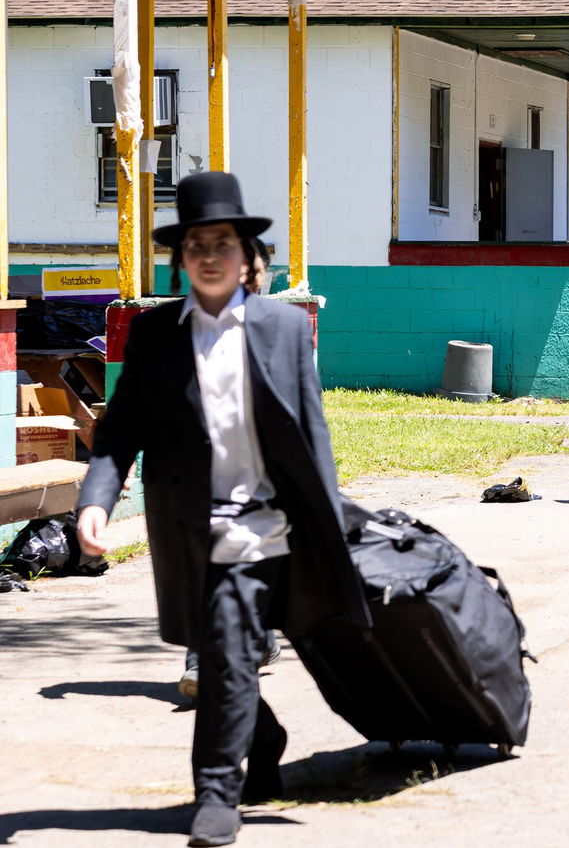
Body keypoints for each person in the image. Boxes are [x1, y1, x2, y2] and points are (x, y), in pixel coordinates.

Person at [75, 171, 370, 847]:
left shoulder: (285, 329)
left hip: (266, 525)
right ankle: (264, 741)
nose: (210, 255)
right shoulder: (152, 337)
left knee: (231, 648)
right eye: (197, 243)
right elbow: (120, 429)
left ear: (246, 256)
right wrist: (97, 500)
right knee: (221, 651)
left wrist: (332, 526)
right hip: (188, 529)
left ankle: (214, 790)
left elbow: (312, 435)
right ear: (181, 258)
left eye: (224, 242)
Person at [178, 236, 279, 701]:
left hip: (261, 494)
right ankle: (202, 662)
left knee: (245, 580)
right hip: (199, 493)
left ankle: (258, 641)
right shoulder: (178, 332)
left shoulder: (278, 330)